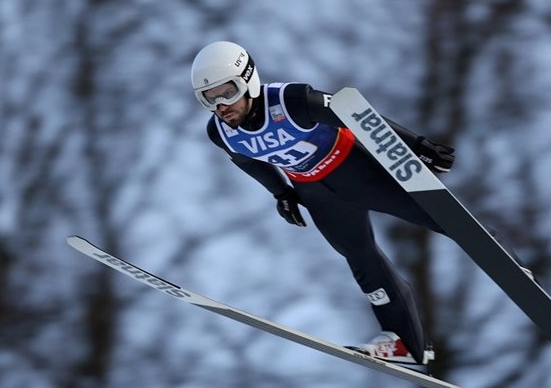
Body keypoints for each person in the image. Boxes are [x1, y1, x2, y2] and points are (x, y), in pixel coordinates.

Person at [191, 41, 457, 365]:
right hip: (317, 193)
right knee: (359, 257)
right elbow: (247, 161)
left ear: (248, 80)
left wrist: (416, 144)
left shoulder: (292, 101)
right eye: (210, 98)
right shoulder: (222, 132)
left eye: (227, 92)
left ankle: (509, 264)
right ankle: (407, 345)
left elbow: (356, 116)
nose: (221, 105)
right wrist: (282, 193)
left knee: (442, 218)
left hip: (356, 170)